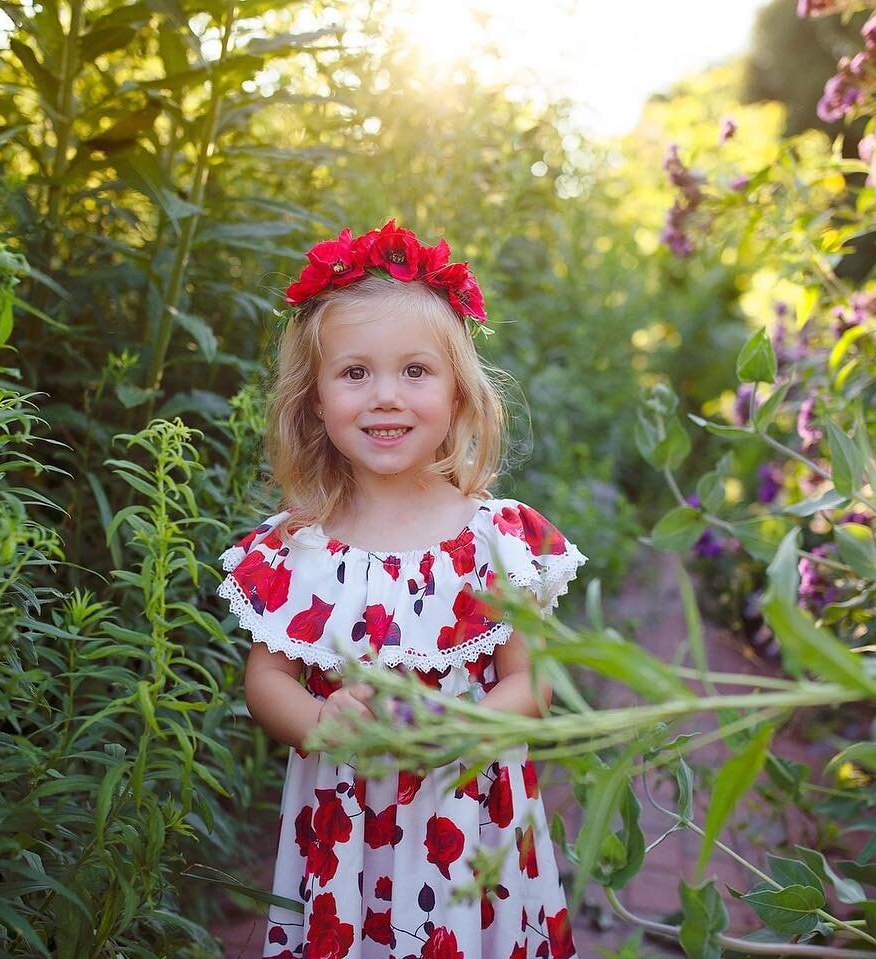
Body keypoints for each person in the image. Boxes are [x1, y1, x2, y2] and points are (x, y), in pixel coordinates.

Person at [217, 219, 586, 958]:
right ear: (316, 399)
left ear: (456, 394)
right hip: (347, 820)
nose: (386, 396)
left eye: (415, 371)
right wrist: (323, 723)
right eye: (355, 373)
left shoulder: (494, 540)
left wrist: (463, 724)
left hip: (468, 812)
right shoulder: (299, 547)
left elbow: (533, 679)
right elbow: (266, 679)